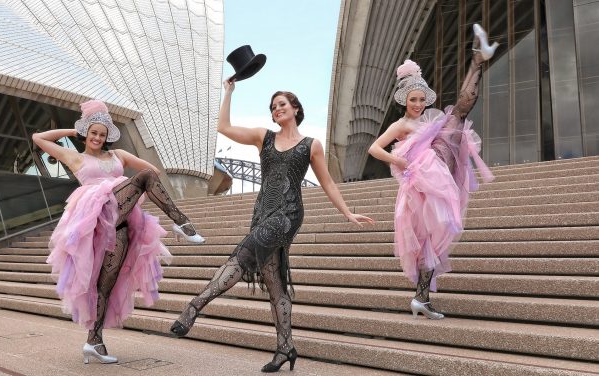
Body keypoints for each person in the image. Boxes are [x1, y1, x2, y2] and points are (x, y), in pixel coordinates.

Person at [170, 80, 374, 373]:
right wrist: (228, 92)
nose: (277, 108)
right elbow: (223, 127)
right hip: (263, 213)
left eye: (282, 104)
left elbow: (327, 182)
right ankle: (285, 348)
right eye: (273, 106)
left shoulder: (310, 145)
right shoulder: (263, 137)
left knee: (241, 257)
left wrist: (348, 213)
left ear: (295, 109)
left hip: (288, 214)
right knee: (275, 285)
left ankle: (193, 308)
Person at [32, 99, 205, 364]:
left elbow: (154, 171)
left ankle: (94, 340)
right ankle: (182, 223)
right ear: (87, 134)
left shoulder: (119, 156)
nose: (98, 138)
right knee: (143, 178)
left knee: (106, 284)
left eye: (102, 134)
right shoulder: (75, 157)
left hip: (120, 223)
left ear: (107, 137)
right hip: (96, 217)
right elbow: (38, 138)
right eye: (93, 133)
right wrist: (72, 131)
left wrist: (132, 196)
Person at [368, 24, 496, 320]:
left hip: (437, 169)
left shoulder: (428, 120)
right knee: (429, 242)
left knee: (460, 113)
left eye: (421, 99)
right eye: (413, 99)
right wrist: (398, 161)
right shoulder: (400, 125)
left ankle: (478, 60)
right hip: (423, 182)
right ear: (404, 100)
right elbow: (374, 149)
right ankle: (421, 299)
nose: (418, 104)